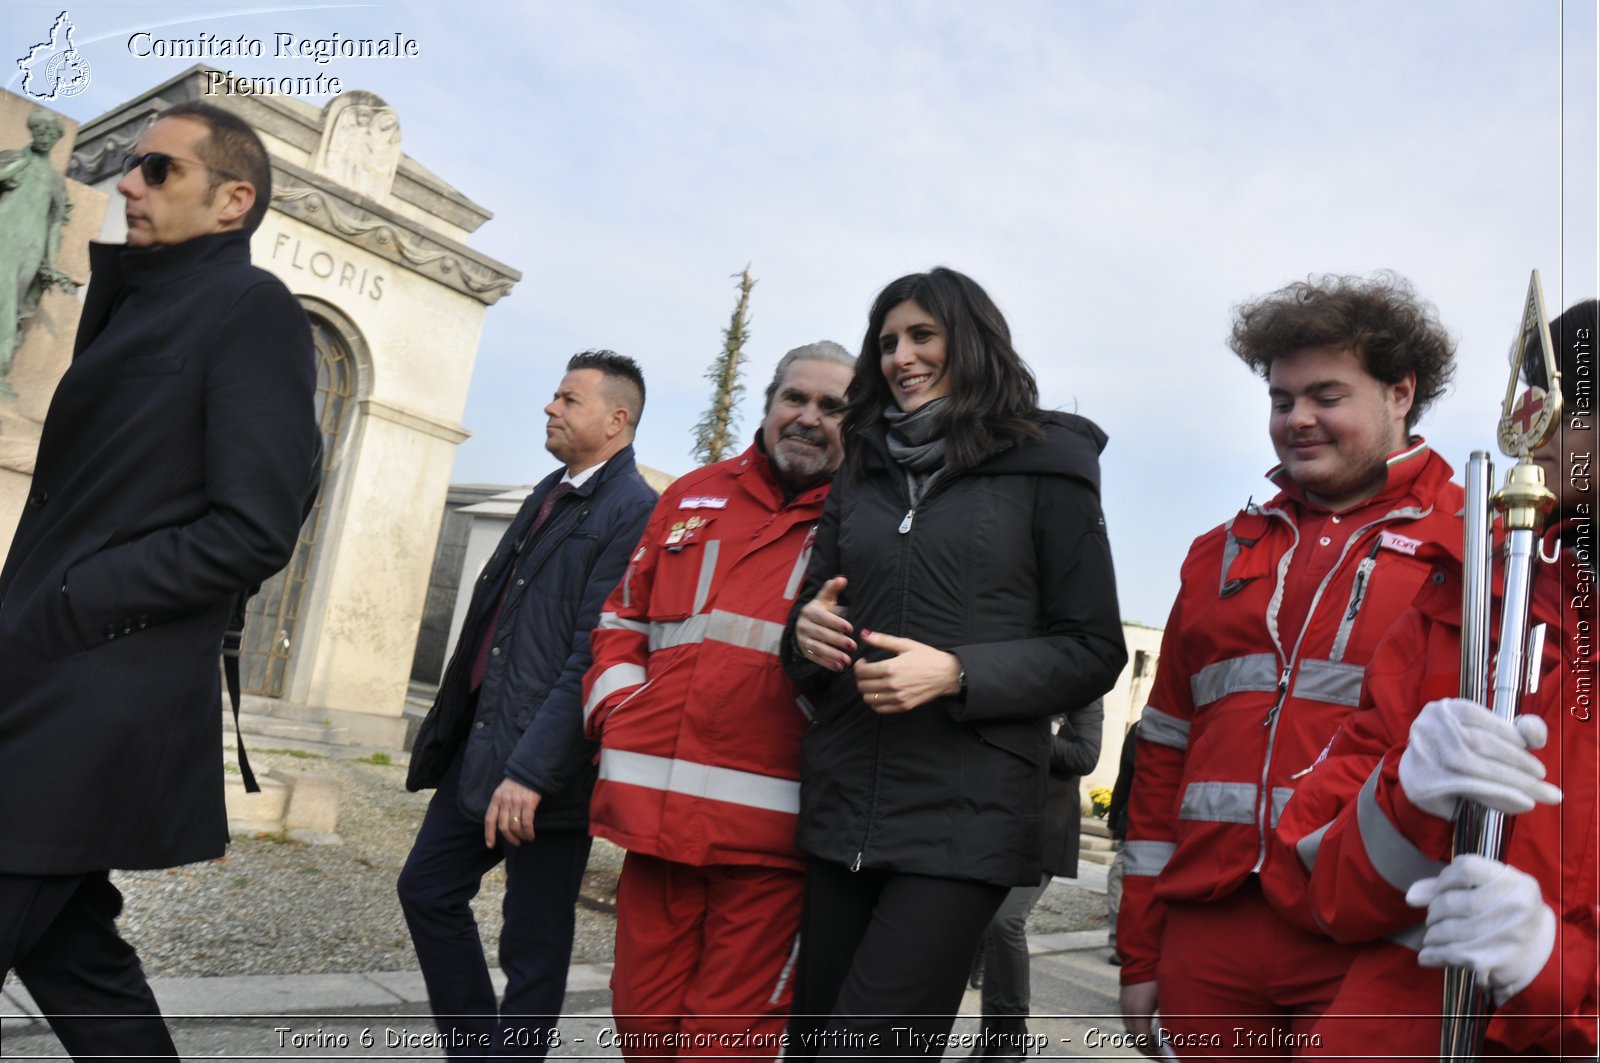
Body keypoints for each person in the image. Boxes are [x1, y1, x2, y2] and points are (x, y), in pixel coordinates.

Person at [0, 101, 320, 1057]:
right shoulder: (146, 301)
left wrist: (74, 601)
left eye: (156, 170)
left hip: (88, 695)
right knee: (70, 952)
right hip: (47, 677)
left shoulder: (250, 309)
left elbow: (254, 526)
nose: (128, 184)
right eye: (130, 167)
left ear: (233, 200)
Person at [1116, 272, 1464, 1058]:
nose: (1298, 418)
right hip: (1209, 933)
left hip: (1381, 932)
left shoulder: (1473, 547)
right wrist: (1141, 948)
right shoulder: (1219, 553)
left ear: (1401, 391)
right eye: (1281, 399)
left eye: (1327, 395)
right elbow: (1163, 755)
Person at [782, 266, 1126, 1056]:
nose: (901, 356)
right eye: (888, 341)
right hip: (844, 807)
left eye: (922, 336)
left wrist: (959, 672)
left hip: (964, 820)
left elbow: (1093, 649)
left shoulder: (1050, 468)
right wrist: (805, 635)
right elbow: (805, 627)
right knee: (810, 1045)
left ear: (970, 341)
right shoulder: (860, 472)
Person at [1265, 298, 1598, 1059]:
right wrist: (1406, 795)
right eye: (1532, 399)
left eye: (1572, 407)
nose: (1538, 429)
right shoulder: (1465, 592)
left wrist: (1556, 971)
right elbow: (1310, 872)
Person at [581, 340, 856, 1060]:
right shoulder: (692, 493)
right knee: (641, 1026)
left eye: (833, 407)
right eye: (795, 397)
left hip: (771, 845)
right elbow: (623, 618)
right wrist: (619, 711)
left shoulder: (866, 525)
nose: (808, 416)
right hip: (656, 823)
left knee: (722, 1046)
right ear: (769, 403)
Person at [399, 351, 657, 1059]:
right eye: (554, 395)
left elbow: (593, 654)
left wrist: (534, 772)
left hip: (549, 775)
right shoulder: (550, 491)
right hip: (483, 748)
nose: (551, 407)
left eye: (569, 399)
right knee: (426, 888)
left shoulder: (632, 513)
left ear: (616, 418)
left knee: (533, 943)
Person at [967, 699, 1104, 1062]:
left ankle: (1011, 1035)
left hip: (1047, 829)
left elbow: (1085, 756)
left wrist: (1027, 729)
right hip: (998, 821)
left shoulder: (1084, 686)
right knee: (990, 927)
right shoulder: (1015, 680)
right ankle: (992, 1040)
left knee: (1005, 921)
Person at [1, 109, 76, 395]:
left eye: (51, 133)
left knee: (15, 302)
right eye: (40, 130)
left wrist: (51, 262)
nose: (45, 136)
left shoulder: (56, 181)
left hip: (31, 248)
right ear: (32, 132)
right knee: (4, 302)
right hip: (4, 234)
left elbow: (55, 222)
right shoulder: (14, 160)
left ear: (57, 138)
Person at [1105, 715, 1140, 964]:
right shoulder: (1140, 729)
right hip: (1135, 818)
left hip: (1174, 823)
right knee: (1118, 878)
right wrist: (1113, 818)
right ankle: (1120, 940)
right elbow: (1125, 775)